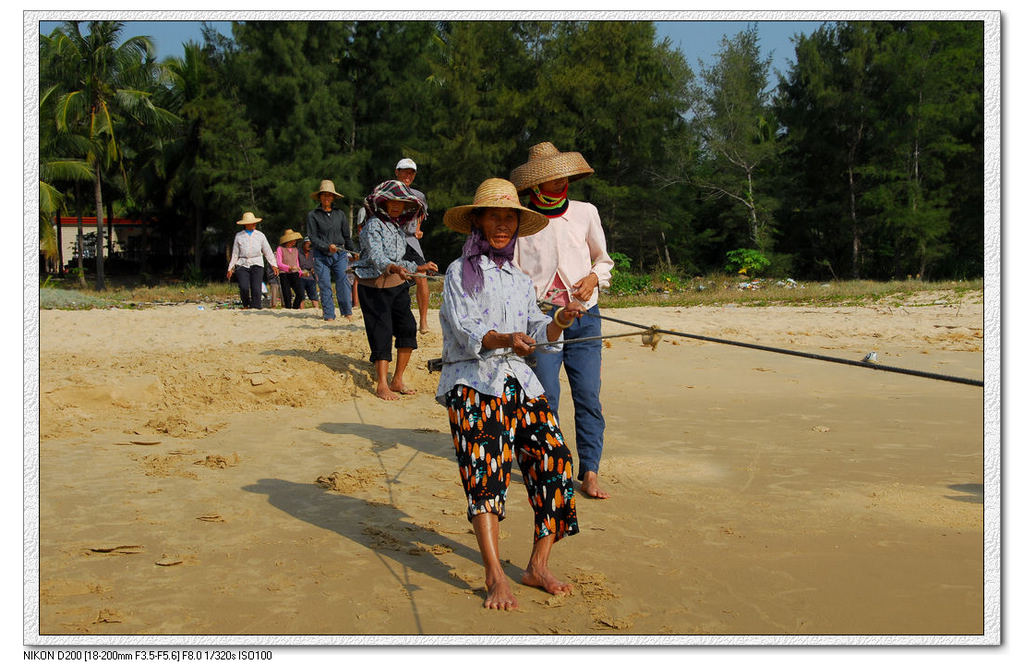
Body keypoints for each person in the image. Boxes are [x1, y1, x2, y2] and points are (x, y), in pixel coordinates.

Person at [437, 178, 585, 610]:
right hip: (472, 383)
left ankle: (538, 565)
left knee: (555, 462)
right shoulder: (457, 272)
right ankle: (494, 574)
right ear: (478, 222)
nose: (503, 225)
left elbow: (538, 331)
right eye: (495, 217)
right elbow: (466, 330)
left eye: (510, 218)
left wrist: (560, 319)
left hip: (521, 381)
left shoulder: (520, 279)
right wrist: (506, 338)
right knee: (485, 474)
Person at [510, 142, 615, 499]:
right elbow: (515, 274)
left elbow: (604, 261)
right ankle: (547, 463)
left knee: (587, 394)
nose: (558, 183)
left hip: (585, 317)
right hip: (541, 319)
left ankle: (590, 471)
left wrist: (594, 278)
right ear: (535, 185)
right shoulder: (522, 221)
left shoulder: (586, 212)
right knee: (545, 395)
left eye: (561, 176)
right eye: (549, 179)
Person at [350, 180, 437, 400]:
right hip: (374, 286)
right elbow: (378, 258)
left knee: (408, 327)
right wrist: (394, 267)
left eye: (402, 203)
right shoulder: (373, 225)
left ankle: (397, 379)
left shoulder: (398, 229)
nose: (397, 206)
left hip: (397, 286)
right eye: (393, 202)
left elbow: (401, 260)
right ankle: (381, 384)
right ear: (384, 203)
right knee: (382, 330)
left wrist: (419, 267)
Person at [306, 179, 356, 322]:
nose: (327, 198)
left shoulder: (340, 214)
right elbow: (313, 238)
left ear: (333, 197)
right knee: (325, 284)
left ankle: (347, 311)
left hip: (340, 254)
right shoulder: (313, 215)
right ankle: (328, 314)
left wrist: (353, 252)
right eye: (324, 195)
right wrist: (326, 246)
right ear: (320, 197)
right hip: (321, 255)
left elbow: (347, 236)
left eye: (329, 195)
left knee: (343, 281)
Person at [394, 158, 432, 333]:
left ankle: (423, 320)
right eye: (405, 171)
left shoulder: (419, 195)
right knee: (396, 278)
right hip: (393, 239)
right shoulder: (389, 191)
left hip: (410, 240)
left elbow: (421, 213)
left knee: (421, 275)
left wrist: (417, 228)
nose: (408, 175)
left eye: (411, 172)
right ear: (397, 172)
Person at [226, 211, 279, 309]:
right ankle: (246, 304)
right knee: (244, 287)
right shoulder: (239, 236)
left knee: (256, 288)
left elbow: (267, 251)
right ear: (246, 224)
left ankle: (256, 307)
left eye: (254, 222)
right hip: (242, 263)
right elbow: (235, 254)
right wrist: (230, 268)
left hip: (257, 263)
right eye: (252, 222)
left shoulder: (260, 235)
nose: (254, 224)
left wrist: (274, 265)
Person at [275, 229, 305, 309]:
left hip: (295, 273)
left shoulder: (295, 250)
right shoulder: (280, 249)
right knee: (287, 294)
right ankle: (288, 309)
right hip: (284, 274)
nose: (294, 242)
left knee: (300, 293)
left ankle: (295, 308)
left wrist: (301, 272)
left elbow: (297, 262)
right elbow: (279, 263)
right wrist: (289, 268)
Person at [297, 237, 320, 310]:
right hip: (300, 275)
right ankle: (301, 310)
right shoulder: (298, 252)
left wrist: (315, 269)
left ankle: (317, 309)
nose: (308, 246)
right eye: (307, 244)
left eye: (310, 244)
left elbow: (317, 263)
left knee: (314, 295)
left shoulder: (313, 253)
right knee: (301, 295)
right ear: (303, 244)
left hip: (311, 276)